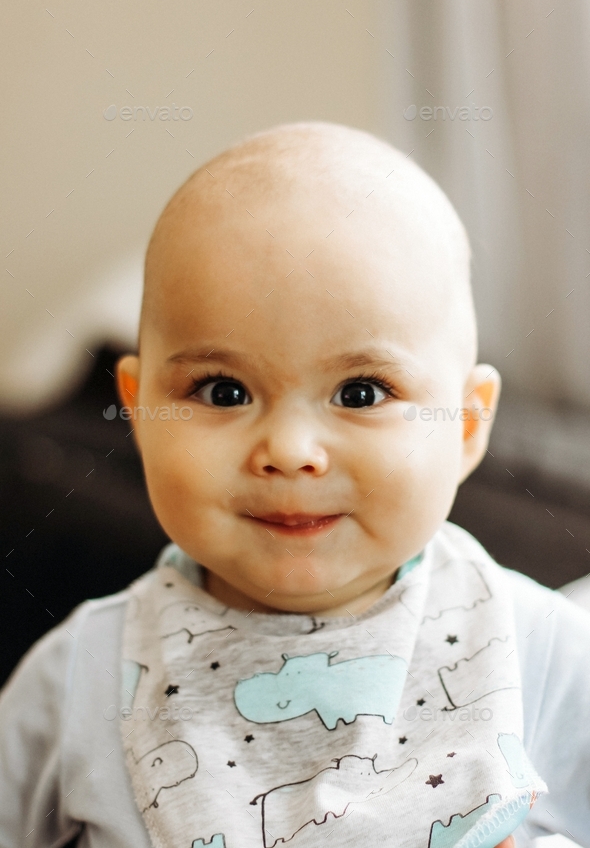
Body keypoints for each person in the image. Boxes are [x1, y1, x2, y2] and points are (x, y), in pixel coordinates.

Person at [1, 123, 588, 848]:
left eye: (362, 392)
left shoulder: (542, 654)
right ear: (141, 411)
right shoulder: (78, 679)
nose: (290, 450)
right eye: (222, 391)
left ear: (466, 425)